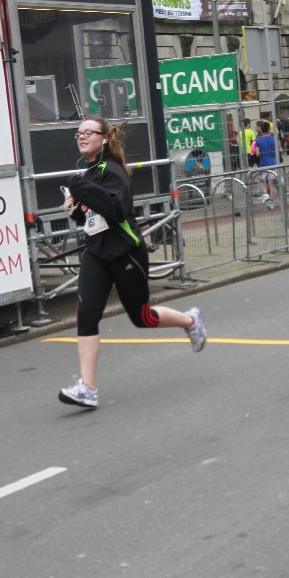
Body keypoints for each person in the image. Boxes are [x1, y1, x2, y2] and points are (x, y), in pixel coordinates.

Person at [59, 116, 207, 409]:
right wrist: (74, 210)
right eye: (78, 133)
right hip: (97, 253)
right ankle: (87, 388)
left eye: (88, 132)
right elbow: (93, 214)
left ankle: (190, 321)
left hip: (125, 252)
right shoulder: (89, 173)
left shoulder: (113, 170)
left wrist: (81, 188)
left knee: (143, 318)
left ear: (104, 138)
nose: (81, 137)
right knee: (86, 315)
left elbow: (116, 210)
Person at [252, 120, 280, 209]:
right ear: (269, 129)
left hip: (263, 162)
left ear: (262, 130)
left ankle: (265, 194)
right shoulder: (273, 139)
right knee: (271, 183)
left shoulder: (258, 140)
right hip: (273, 161)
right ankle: (271, 202)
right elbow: (278, 148)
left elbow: (257, 154)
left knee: (261, 180)